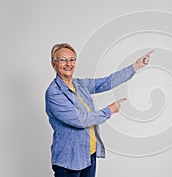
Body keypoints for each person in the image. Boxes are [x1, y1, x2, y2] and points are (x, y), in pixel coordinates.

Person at [45, 43, 154, 177]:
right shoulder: (54, 93)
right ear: (53, 64)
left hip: (88, 155)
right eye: (63, 60)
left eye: (72, 59)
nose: (68, 64)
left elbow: (106, 82)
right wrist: (109, 110)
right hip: (69, 161)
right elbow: (81, 120)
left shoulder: (79, 85)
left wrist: (136, 66)